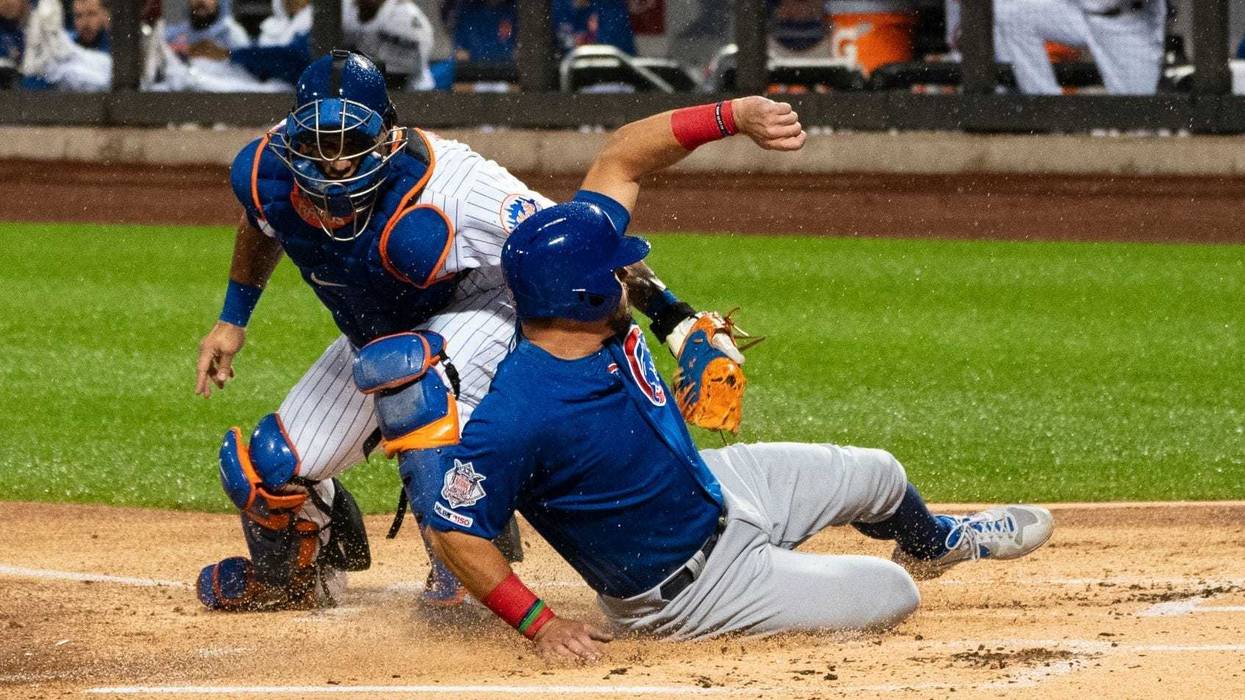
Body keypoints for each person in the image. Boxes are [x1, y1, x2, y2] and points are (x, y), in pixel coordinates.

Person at [420, 96, 1055, 659]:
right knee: (890, 592)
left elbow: (620, 158)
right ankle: (780, 584)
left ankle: (937, 541)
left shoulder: (586, 315)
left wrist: (733, 116)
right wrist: (540, 624)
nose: (630, 278)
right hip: (687, 593)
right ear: (583, 296)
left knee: (880, 474)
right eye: (617, 274)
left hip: (717, 490)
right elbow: (454, 528)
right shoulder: (518, 412)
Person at [193, 50, 748, 612]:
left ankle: (468, 555)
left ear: (386, 139)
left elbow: (580, 241)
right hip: (381, 341)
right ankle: (304, 578)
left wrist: (674, 317)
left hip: (483, 310)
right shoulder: (263, 173)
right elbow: (261, 223)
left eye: (346, 147)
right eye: (314, 146)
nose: (329, 166)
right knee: (267, 467)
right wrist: (231, 319)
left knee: (414, 384)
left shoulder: (453, 184)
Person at [993, 0, 1167, 95]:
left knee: (1137, 116)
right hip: (1077, 14)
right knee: (1010, 10)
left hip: (1126, 23)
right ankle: (1048, 107)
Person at [342, 0, 436, 90]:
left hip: (408, 91)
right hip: (362, 85)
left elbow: (397, 77)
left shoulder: (405, 18)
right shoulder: (343, 8)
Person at [165, 0, 250, 60]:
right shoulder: (174, 34)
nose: (201, 1)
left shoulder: (232, 33)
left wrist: (224, 54)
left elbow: (247, 77)